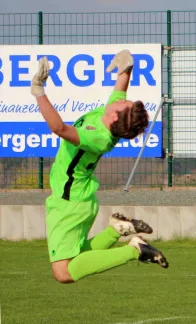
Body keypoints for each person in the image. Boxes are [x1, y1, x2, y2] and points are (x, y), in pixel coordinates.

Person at [31, 49, 169, 284]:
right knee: (82, 255)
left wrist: (38, 90)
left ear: (116, 117)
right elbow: (121, 85)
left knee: (63, 273)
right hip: (79, 200)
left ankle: (134, 249)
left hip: (69, 202)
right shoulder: (112, 114)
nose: (122, 98)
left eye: (123, 103)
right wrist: (127, 63)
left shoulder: (99, 137)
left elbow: (59, 129)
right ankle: (117, 230)